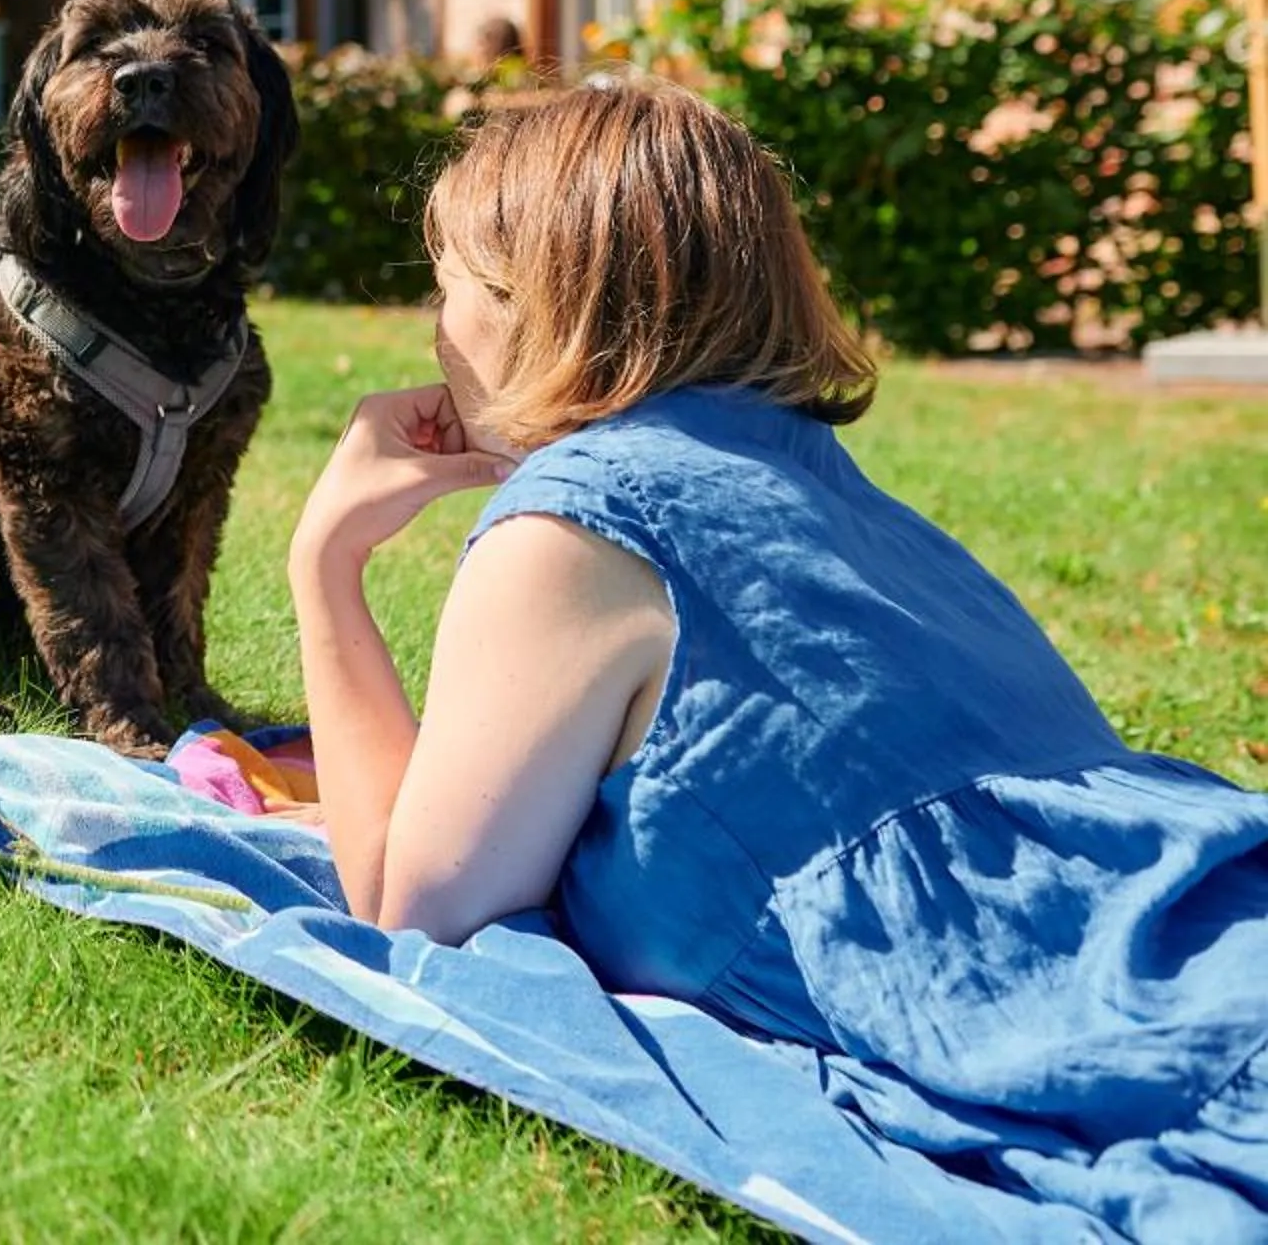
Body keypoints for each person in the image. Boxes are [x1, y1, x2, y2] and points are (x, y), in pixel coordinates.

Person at [285, 74, 1267, 1226]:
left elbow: (416, 914)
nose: (435, 336)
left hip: (1142, 1028)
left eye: (444, 292)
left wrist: (325, 568)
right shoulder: (830, 489)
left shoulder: (571, 524)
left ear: (533, 299)